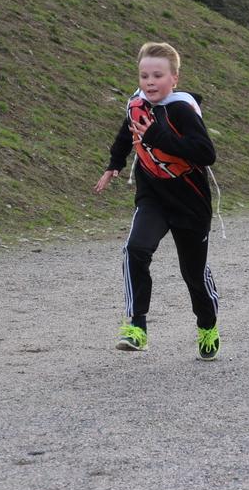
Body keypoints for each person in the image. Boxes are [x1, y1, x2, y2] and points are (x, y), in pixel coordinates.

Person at [93, 41, 221, 360]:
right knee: (135, 249)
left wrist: (157, 138)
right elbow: (127, 132)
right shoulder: (136, 104)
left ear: (174, 78)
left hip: (190, 203)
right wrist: (114, 164)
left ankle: (207, 325)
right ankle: (136, 326)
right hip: (153, 197)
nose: (150, 82)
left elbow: (206, 153)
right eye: (144, 76)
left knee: (193, 274)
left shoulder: (182, 110)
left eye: (158, 76)